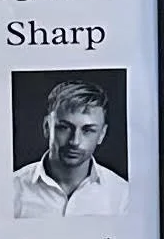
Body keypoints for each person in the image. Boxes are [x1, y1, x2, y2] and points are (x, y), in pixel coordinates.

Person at [10, 81, 128, 221]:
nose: (75, 141)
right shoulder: (11, 190)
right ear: (47, 127)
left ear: (101, 134)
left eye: (88, 130)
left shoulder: (123, 195)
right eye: (64, 127)